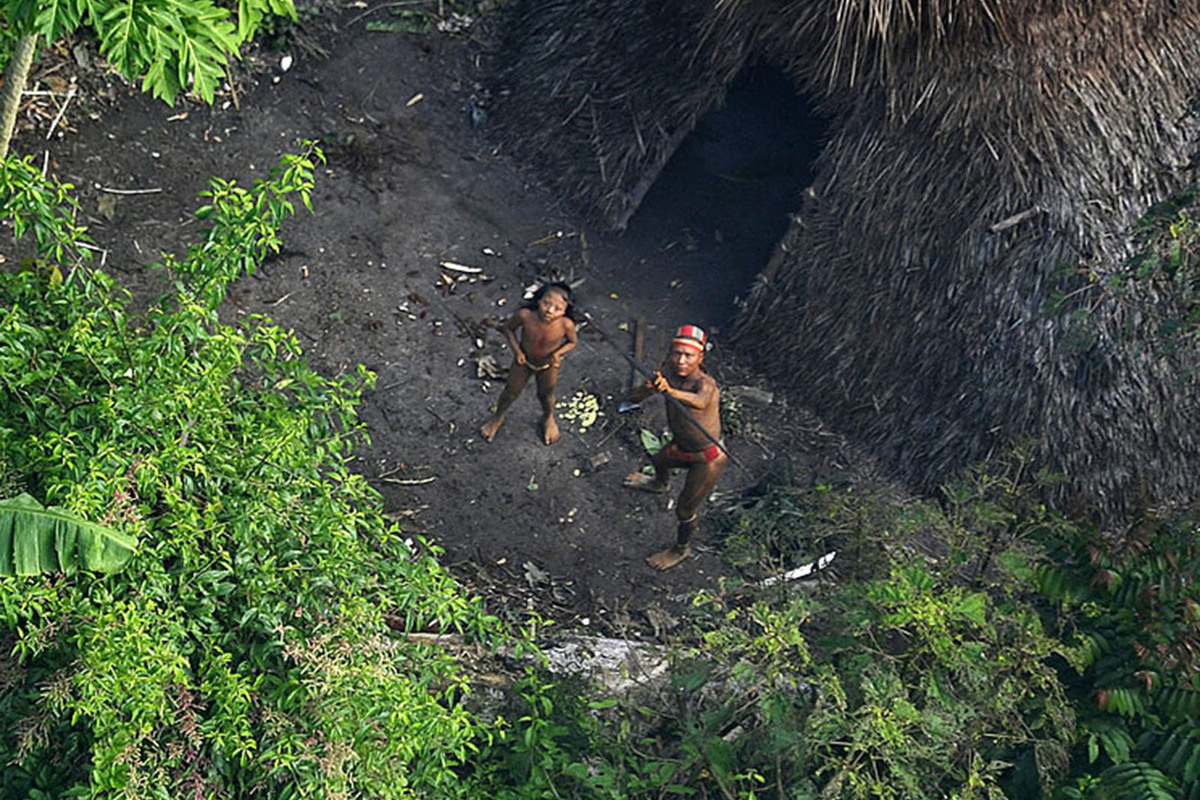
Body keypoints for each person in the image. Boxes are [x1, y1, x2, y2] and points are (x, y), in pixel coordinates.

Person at [624, 324, 726, 570]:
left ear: (700, 358)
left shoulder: (706, 384)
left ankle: (681, 549)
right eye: (676, 353)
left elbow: (700, 402)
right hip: (681, 445)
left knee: (684, 509)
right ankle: (660, 483)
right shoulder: (666, 372)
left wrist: (669, 391)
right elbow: (633, 398)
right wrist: (647, 389)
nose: (681, 360)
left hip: (707, 458)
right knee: (659, 460)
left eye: (688, 355)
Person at [481, 282, 578, 445]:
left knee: (546, 395)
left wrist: (557, 353)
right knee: (510, 392)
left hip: (548, 365)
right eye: (546, 303)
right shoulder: (525, 316)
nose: (549, 311)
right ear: (539, 300)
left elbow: (572, 342)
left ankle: (548, 417)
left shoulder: (565, 325)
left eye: (558, 309)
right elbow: (508, 329)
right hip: (523, 362)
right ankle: (498, 417)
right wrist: (517, 351)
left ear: (565, 311)